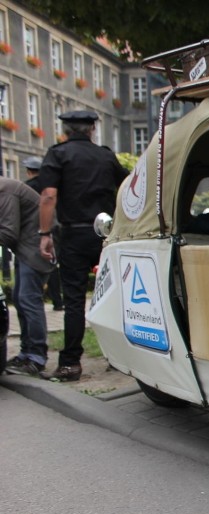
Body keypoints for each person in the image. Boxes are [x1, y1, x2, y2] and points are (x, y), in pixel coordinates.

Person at [37, 110, 128, 382]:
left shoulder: (58, 154)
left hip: (74, 234)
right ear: (91, 130)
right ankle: (123, 357)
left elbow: (48, 195)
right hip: (106, 233)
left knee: (74, 300)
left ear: (66, 131)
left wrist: (44, 233)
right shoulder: (106, 155)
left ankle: (70, 364)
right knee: (116, 297)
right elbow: (128, 186)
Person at [0, 177, 55, 376]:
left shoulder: (5, 191)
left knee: (28, 299)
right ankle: (26, 353)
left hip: (36, 247)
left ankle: (37, 357)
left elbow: (7, 232)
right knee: (20, 299)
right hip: (27, 248)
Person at [23, 156, 64, 311]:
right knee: (53, 265)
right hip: (55, 228)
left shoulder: (26, 187)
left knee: (35, 267)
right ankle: (58, 302)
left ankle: (37, 298)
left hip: (35, 233)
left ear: (28, 171)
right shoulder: (51, 187)